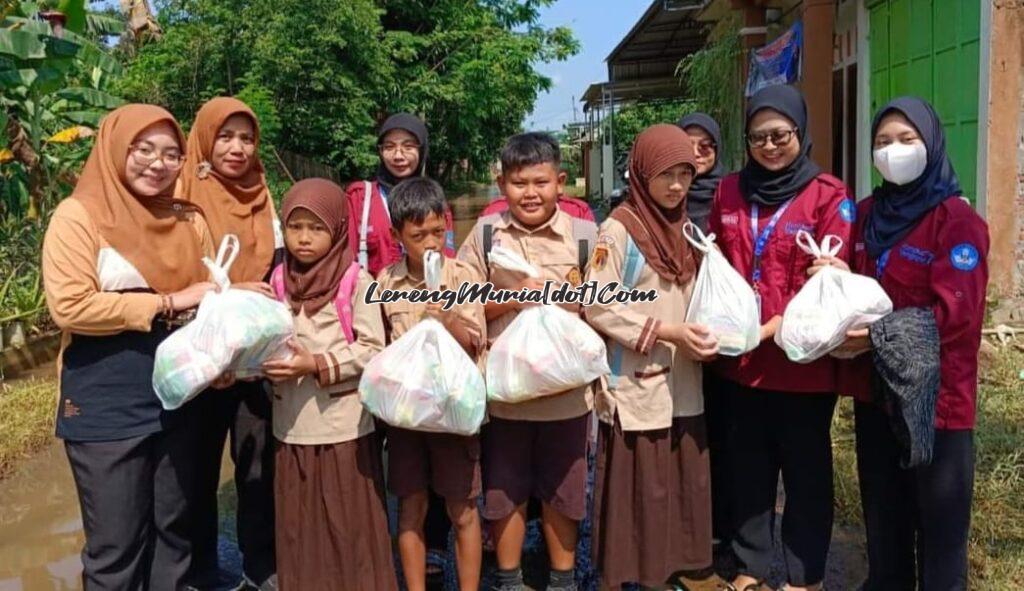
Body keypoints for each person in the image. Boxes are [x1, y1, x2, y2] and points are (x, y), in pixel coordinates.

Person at [41, 104, 217, 590]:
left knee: (173, 533)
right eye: (144, 150)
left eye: (171, 154)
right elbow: (70, 306)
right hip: (105, 399)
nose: (157, 164)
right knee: (115, 547)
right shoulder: (79, 217)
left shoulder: (188, 219)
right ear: (117, 149)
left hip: (179, 394)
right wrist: (166, 302)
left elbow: (208, 292)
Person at [827, 97, 989, 590]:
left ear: (932, 144)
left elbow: (955, 319)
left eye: (906, 139)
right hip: (877, 398)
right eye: (882, 142)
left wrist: (874, 338)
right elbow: (859, 286)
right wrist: (834, 282)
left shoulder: (956, 222)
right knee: (884, 521)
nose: (892, 151)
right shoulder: (870, 213)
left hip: (937, 405)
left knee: (939, 534)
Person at [707, 84, 854, 591]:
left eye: (780, 135)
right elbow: (713, 263)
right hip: (740, 363)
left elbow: (830, 280)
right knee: (748, 470)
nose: (769, 146)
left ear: (800, 132)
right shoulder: (728, 191)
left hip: (801, 363)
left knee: (805, 472)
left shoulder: (828, 194)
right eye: (757, 138)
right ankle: (750, 567)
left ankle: (805, 575)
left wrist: (770, 326)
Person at [458, 132, 597, 591]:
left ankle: (562, 580)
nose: (530, 193)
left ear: (561, 183)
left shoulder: (584, 237)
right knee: (504, 490)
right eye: (519, 183)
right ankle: (509, 579)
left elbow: (603, 306)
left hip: (567, 397)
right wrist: (516, 297)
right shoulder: (483, 235)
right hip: (505, 396)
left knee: (565, 490)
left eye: (541, 182)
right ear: (502, 185)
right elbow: (462, 305)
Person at [584, 124, 716, 588]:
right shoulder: (617, 230)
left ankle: (676, 563)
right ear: (641, 172)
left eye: (685, 173)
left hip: (684, 377)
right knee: (641, 480)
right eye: (665, 174)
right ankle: (629, 570)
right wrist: (665, 331)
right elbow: (596, 302)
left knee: (682, 475)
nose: (677, 185)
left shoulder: (688, 228)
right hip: (637, 377)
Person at [262, 178, 396, 591]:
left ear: (338, 229)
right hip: (292, 426)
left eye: (316, 228)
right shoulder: (278, 281)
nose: (304, 239)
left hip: (343, 427)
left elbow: (375, 349)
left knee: (348, 523)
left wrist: (317, 363)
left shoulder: (358, 282)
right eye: (295, 227)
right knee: (299, 526)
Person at [178, 96, 280, 591]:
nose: (237, 148)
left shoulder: (261, 189)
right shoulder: (182, 191)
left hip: (253, 352)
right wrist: (231, 291)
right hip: (202, 346)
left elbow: (275, 260)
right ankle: (198, 567)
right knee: (196, 463)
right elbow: (176, 265)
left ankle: (259, 562)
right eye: (225, 136)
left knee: (258, 461)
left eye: (246, 138)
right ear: (204, 137)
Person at [376, 178, 487, 591]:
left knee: (463, 509)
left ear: (448, 225)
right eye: (417, 235)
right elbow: (380, 348)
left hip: (454, 416)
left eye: (437, 233)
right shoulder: (385, 283)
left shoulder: (463, 275)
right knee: (411, 506)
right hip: (407, 418)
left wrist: (447, 318)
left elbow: (477, 339)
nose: (429, 244)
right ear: (397, 236)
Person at [677, 111, 732, 555]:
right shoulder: (663, 198)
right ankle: (688, 523)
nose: (697, 152)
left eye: (706, 145)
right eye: (688, 143)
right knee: (686, 432)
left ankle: (725, 522)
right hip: (678, 332)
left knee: (726, 430)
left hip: (723, 332)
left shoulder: (732, 196)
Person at [347, 113, 456, 277]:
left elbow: (447, 261)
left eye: (408, 147)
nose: (398, 156)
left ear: (422, 150)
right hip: (372, 299)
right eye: (389, 147)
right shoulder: (360, 198)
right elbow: (346, 262)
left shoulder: (435, 200)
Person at [677, 112, 726, 233]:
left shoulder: (730, 191)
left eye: (704, 146)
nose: (695, 154)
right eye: (686, 146)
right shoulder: (667, 191)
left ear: (716, 149)